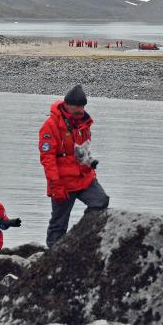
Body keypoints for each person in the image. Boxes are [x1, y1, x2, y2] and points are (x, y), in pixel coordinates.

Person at [39, 84, 110, 247]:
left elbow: (83, 149)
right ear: (66, 104)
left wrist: (90, 162)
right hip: (62, 183)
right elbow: (47, 158)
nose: (80, 110)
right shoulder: (50, 125)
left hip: (84, 177)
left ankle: (81, 236)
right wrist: (55, 185)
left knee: (101, 201)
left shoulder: (84, 123)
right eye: (77, 107)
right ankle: (52, 255)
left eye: (82, 106)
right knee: (58, 223)